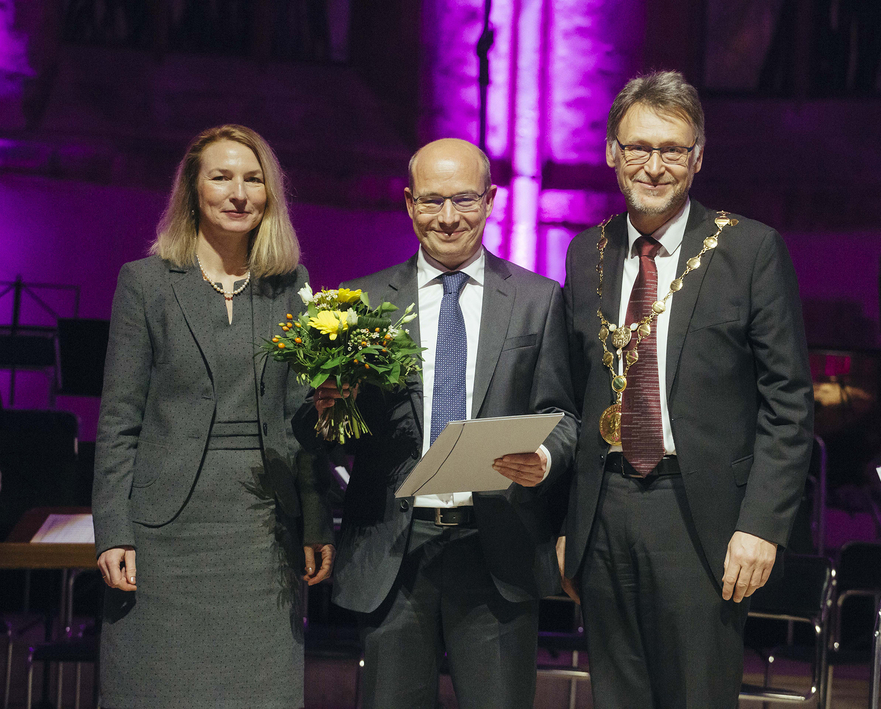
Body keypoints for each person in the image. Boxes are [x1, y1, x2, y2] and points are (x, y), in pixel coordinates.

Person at [560, 71, 814, 708]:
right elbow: (570, 395)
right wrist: (569, 523)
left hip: (701, 518)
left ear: (698, 158)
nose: (653, 166)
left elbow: (789, 401)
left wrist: (762, 526)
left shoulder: (751, 251)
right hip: (605, 512)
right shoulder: (584, 253)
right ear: (612, 153)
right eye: (638, 148)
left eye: (671, 150)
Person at [305, 138, 578, 709]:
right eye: (431, 201)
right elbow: (326, 432)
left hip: (496, 546)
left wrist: (544, 457)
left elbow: (562, 414)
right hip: (392, 551)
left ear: (490, 200)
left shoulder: (538, 299)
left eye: (463, 200)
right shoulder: (361, 304)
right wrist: (331, 411)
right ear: (408, 204)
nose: (448, 218)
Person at [92, 124, 334, 709]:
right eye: (221, 177)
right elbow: (119, 420)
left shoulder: (290, 288)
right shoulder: (145, 284)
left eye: (253, 179)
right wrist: (113, 529)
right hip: (165, 529)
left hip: (261, 530)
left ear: (270, 195)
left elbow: (302, 418)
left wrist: (316, 519)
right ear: (192, 190)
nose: (238, 192)